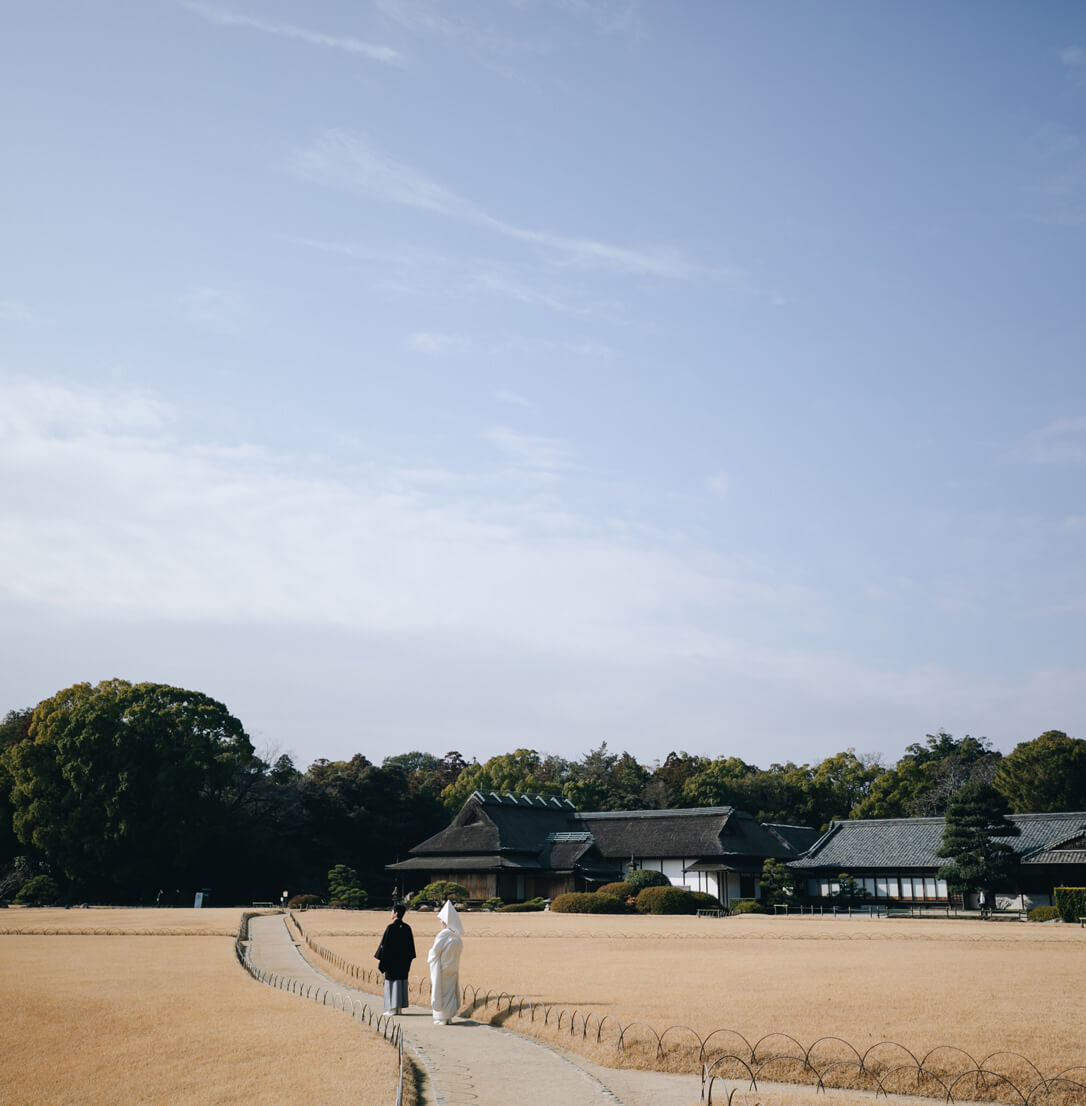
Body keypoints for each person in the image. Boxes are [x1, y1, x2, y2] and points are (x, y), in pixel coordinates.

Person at [375, 902, 416, 1015]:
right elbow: (411, 948)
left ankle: (392, 1009)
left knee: (392, 983)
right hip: (403, 962)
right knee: (401, 982)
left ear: (396, 913)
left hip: (391, 961)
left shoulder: (391, 928)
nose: (391, 913)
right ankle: (399, 1009)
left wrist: (380, 958)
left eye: (392, 911)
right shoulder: (407, 928)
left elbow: (384, 945)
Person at [428, 899, 464, 1025]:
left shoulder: (443, 935)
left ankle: (441, 1017)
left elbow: (435, 951)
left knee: (441, 991)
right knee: (450, 992)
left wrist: (431, 956)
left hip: (442, 968)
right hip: (452, 967)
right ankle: (448, 1017)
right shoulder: (456, 937)